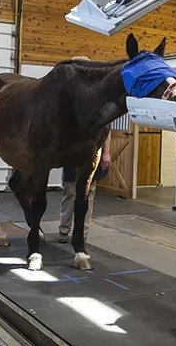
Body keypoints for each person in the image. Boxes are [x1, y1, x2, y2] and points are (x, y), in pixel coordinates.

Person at [58, 55, 112, 244]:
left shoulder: (96, 97)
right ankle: (64, 230)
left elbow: (106, 126)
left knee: (88, 194)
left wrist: (105, 152)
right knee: (70, 192)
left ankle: (81, 233)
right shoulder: (68, 97)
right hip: (72, 153)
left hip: (91, 153)